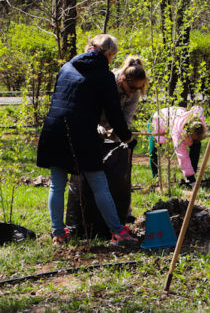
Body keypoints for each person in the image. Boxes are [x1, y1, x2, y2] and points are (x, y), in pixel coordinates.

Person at [36, 34, 137, 247]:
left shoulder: (66, 67)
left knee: (57, 184)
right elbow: (115, 114)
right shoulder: (104, 75)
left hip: (54, 129)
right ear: (108, 54)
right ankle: (118, 232)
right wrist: (127, 138)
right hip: (82, 134)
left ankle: (58, 233)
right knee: (99, 184)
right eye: (112, 56)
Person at [149, 106, 207, 186]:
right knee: (153, 151)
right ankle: (156, 179)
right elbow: (182, 156)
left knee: (196, 145)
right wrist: (191, 179)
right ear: (188, 133)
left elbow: (198, 108)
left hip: (175, 115)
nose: (194, 141)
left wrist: (190, 177)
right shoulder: (178, 134)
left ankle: (190, 176)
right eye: (193, 138)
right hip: (158, 120)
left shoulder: (198, 121)